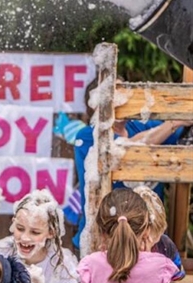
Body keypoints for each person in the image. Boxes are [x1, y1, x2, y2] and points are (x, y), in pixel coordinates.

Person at [71, 79, 186, 253]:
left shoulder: (140, 126)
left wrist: (180, 118)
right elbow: (124, 148)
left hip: (146, 242)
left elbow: (179, 131)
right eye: (114, 92)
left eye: (124, 90)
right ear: (96, 105)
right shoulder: (87, 135)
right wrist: (173, 123)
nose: (122, 97)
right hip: (102, 241)